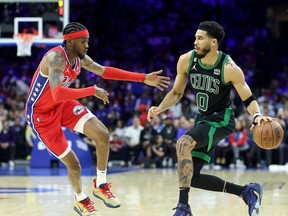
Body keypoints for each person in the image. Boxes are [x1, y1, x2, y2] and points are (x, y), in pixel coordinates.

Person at [25, 22, 170, 216]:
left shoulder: (79, 58)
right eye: (83, 41)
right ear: (70, 42)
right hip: (41, 115)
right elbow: (57, 93)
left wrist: (142, 78)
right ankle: (80, 199)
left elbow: (103, 70)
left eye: (88, 41)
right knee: (74, 165)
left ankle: (100, 184)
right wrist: (92, 90)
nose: (87, 45)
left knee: (102, 134)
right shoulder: (55, 58)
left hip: (62, 105)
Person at [147, 21, 273, 216]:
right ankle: (247, 192)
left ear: (213, 42)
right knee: (192, 178)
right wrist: (159, 109)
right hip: (203, 119)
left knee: (183, 143)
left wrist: (256, 115)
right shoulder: (186, 60)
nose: (195, 42)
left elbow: (247, 97)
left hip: (222, 119)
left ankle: (183, 207)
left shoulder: (229, 67)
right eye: (195, 37)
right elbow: (176, 93)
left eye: (200, 38)